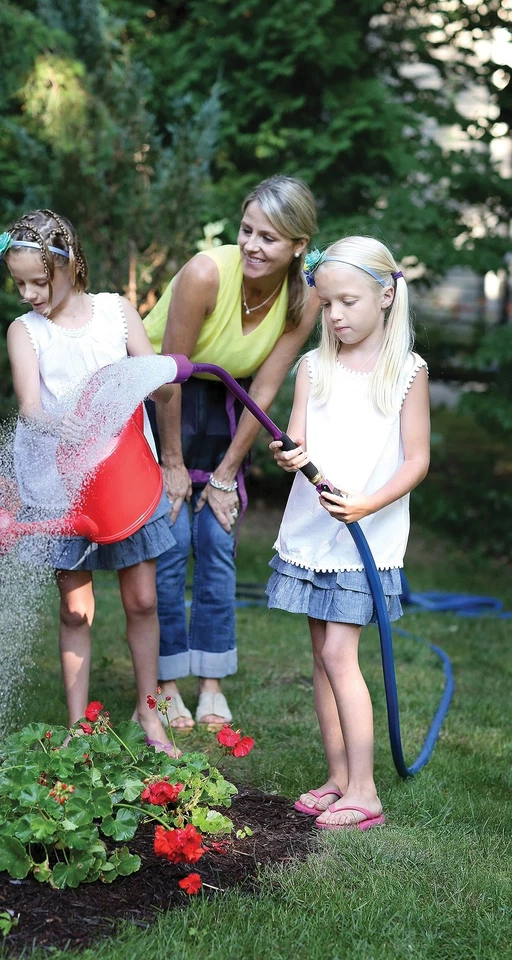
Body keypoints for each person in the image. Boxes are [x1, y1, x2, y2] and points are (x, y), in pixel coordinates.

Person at [0, 209, 178, 755]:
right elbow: (32, 409)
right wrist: (66, 424)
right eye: (19, 284)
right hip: (62, 489)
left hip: (126, 481)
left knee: (142, 600)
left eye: (38, 281)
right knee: (76, 609)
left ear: (69, 265)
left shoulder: (116, 313)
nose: (28, 294)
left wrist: (163, 379)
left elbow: (155, 379)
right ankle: (78, 729)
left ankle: (151, 718)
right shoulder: (26, 332)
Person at [145, 175, 319, 730]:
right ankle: (165, 684)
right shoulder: (205, 274)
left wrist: (224, 476)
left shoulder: (305, 297)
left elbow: (262, 389)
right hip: (162, 400)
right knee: (171, 540)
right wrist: (172, 464)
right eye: (247, 230)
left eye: (269, 237)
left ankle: (212, 681)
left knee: (218, 541)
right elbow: (168, 375)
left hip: (228, 405)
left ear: (298, 245)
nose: (251, 245)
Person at [267, 236, 430, 829]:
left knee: (340, 653)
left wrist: (367, 504)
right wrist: (288, 454)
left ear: (385, 295)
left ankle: (366, 791)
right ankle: (339, 777)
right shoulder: (314, 366)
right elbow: (297, 438)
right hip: (314, 536)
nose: (335, 315)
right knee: (322, 657)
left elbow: (417, 460)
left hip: (366, 542)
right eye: (327, 303)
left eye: (348, 302)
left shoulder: (407, 372)